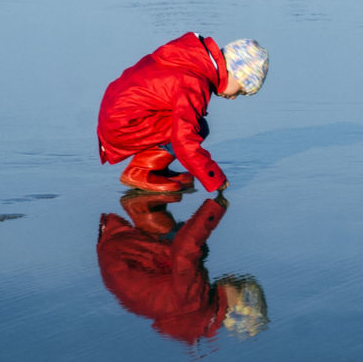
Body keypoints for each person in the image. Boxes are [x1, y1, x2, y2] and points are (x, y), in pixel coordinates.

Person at [97, 33, 268, 193]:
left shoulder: (192, 59)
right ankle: (140, 171)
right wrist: (214, 178)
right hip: (123, 125)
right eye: (240, 91)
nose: (234, 98)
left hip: (117, 114)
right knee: (195, 129)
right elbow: (184, 139)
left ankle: (157, 169)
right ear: (234, 73)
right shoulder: (194, 82)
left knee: (195, 123)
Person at [96, 191, 269, 346]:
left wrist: (216, 208)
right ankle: (141, 208)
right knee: (193, 257)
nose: (235, 279)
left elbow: (184, 252)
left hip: (122, 253)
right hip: (121, 262)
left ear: (232, 309)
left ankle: (142, 207)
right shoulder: (195, 317)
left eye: (241, 293)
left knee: (193, 248)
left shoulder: (193, 302)